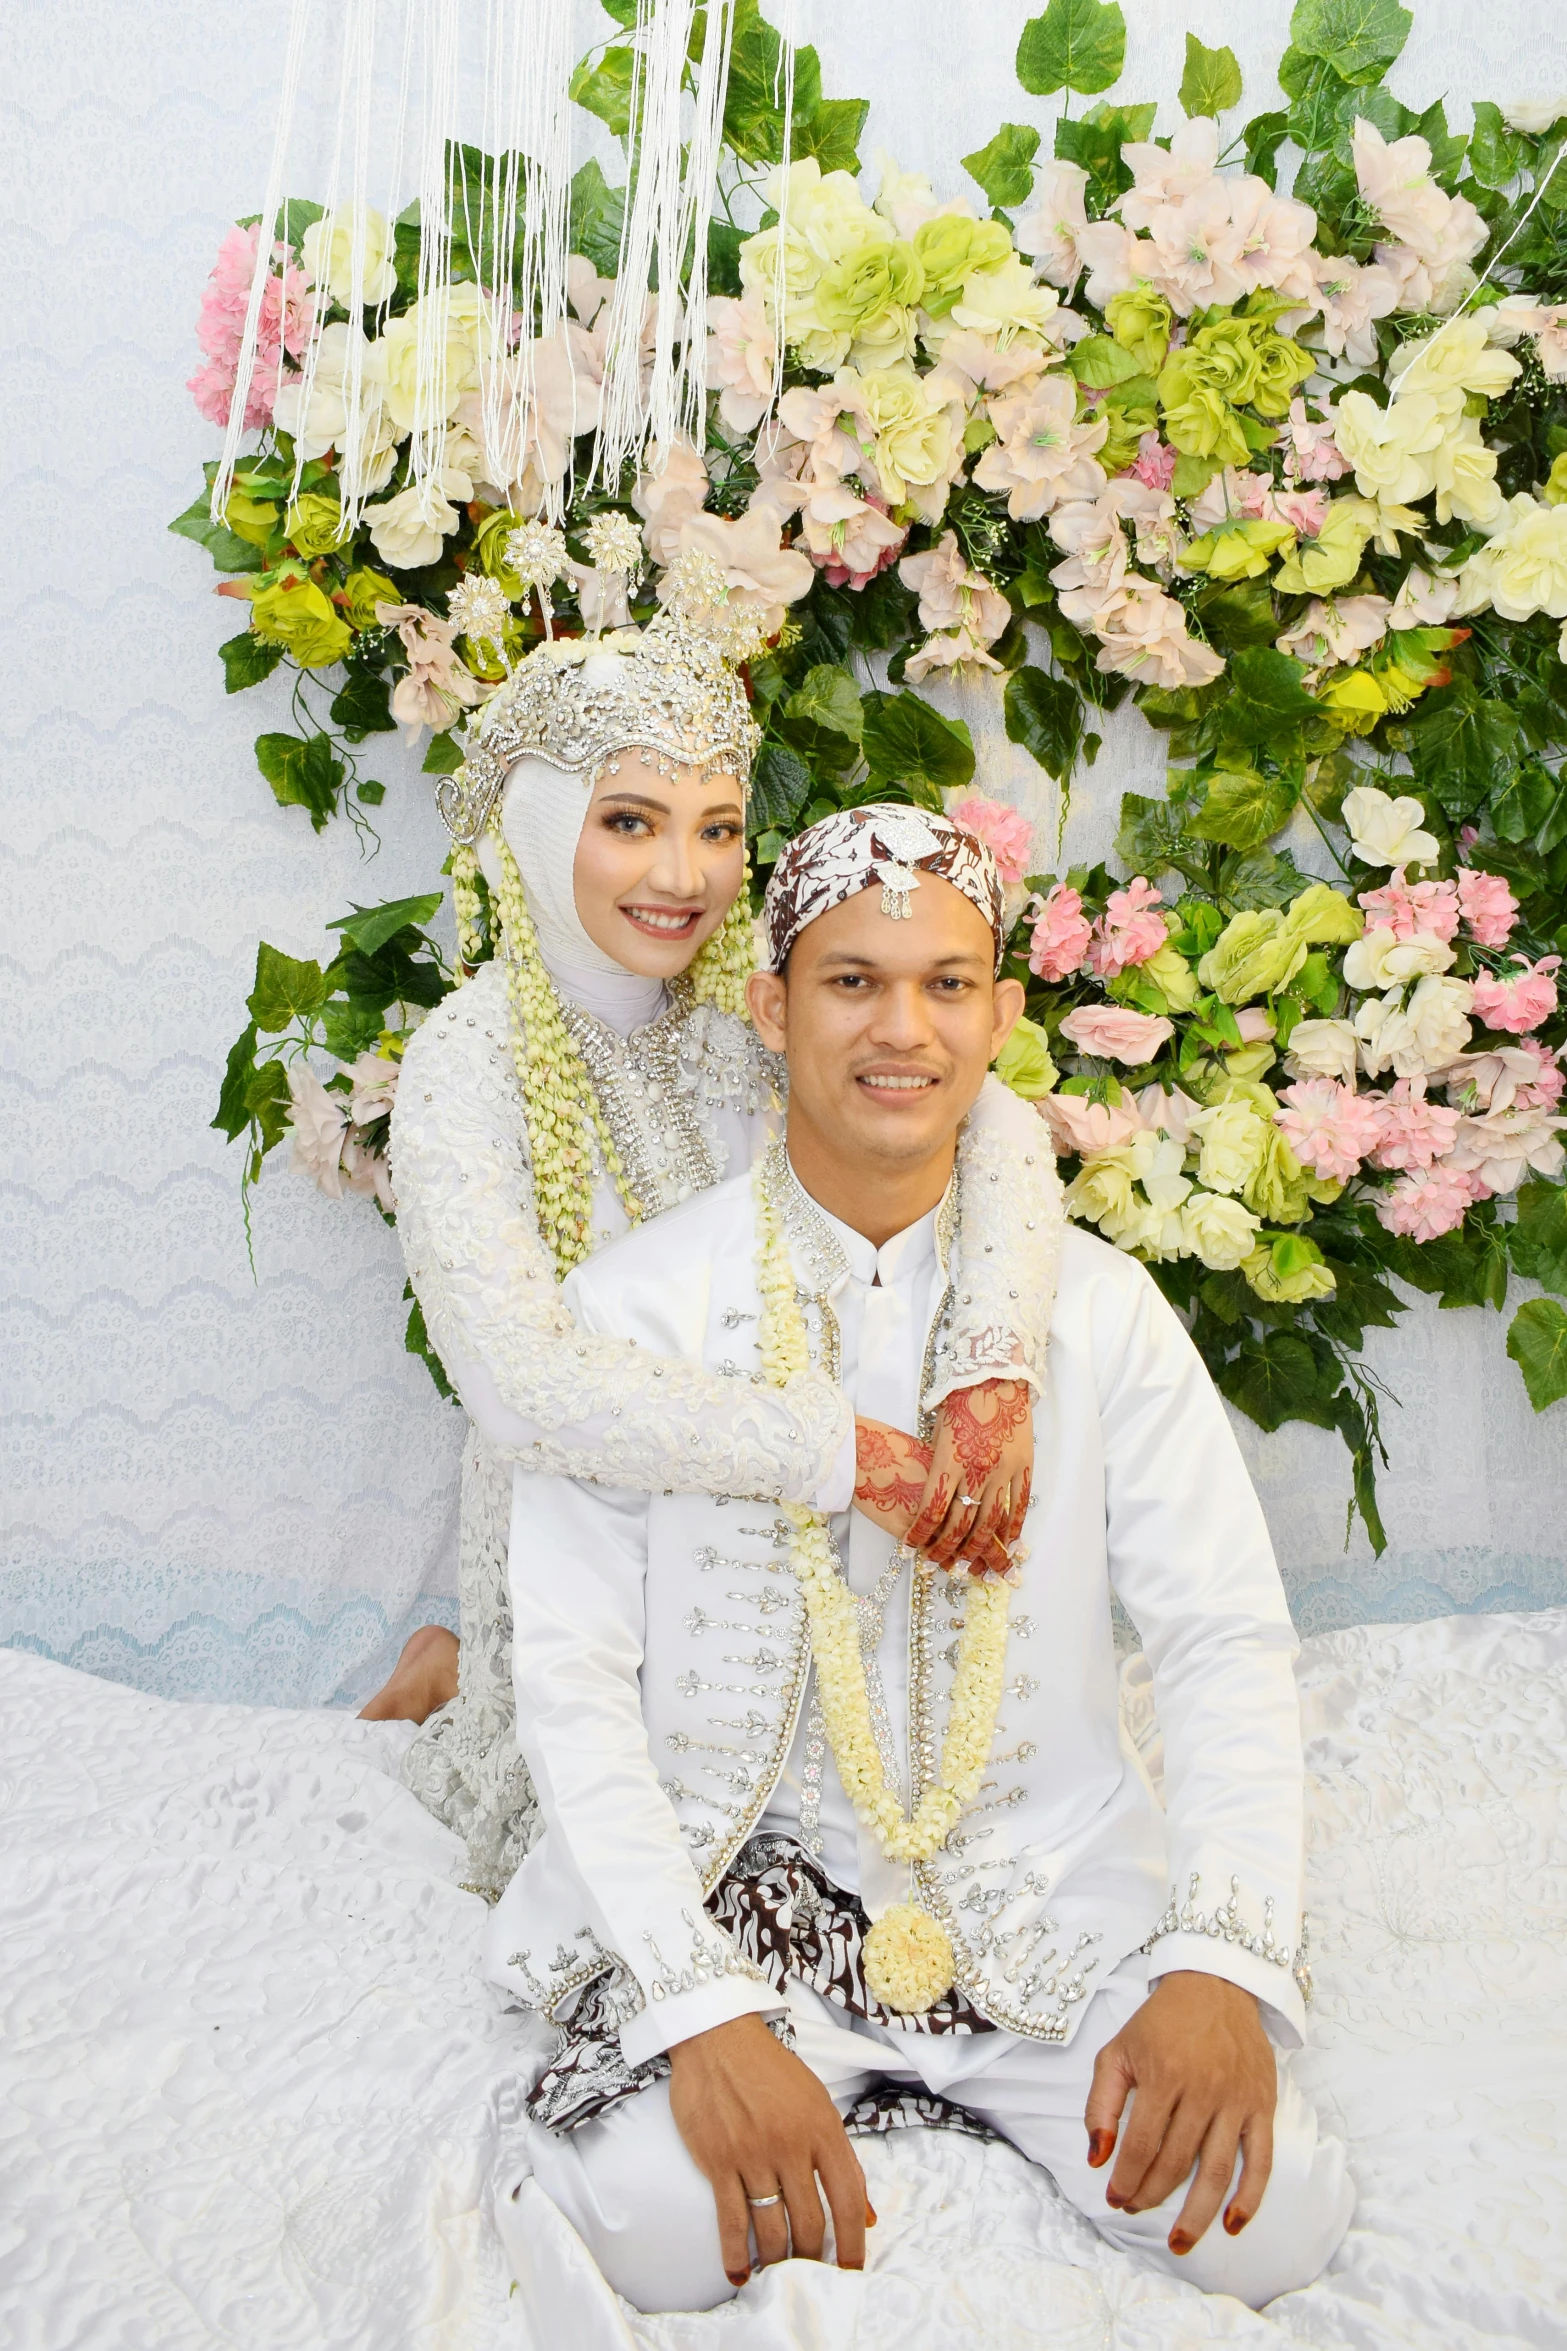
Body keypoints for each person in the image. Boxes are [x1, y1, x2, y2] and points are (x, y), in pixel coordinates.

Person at [487, 803, 1355, 2317]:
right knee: (652, 2230)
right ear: (768, 1006)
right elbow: (573, 1677)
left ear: (1001, 1017)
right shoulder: (634, 1313)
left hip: (1040, 1893)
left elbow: (1220, 1636)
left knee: (1267, 2225)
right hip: (742, 1890)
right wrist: (701, 2011)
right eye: (850, 982)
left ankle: (982, 2076)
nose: (903, 1028)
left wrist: (1221, 1966)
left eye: (947, 983)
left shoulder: (1095, 1313)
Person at [366, 581, 1066, 1898]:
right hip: (603, 1535)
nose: (682, 876)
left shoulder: (738, 1006)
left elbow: (999, 1122)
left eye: (716, 827)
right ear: (537, 822)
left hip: (806, 1520)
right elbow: (527, 1391)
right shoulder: (469, 1064)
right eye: (628, 821)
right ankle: (460, 1669)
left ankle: (443, 1657)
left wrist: (987, 1366)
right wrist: (845, 1452)